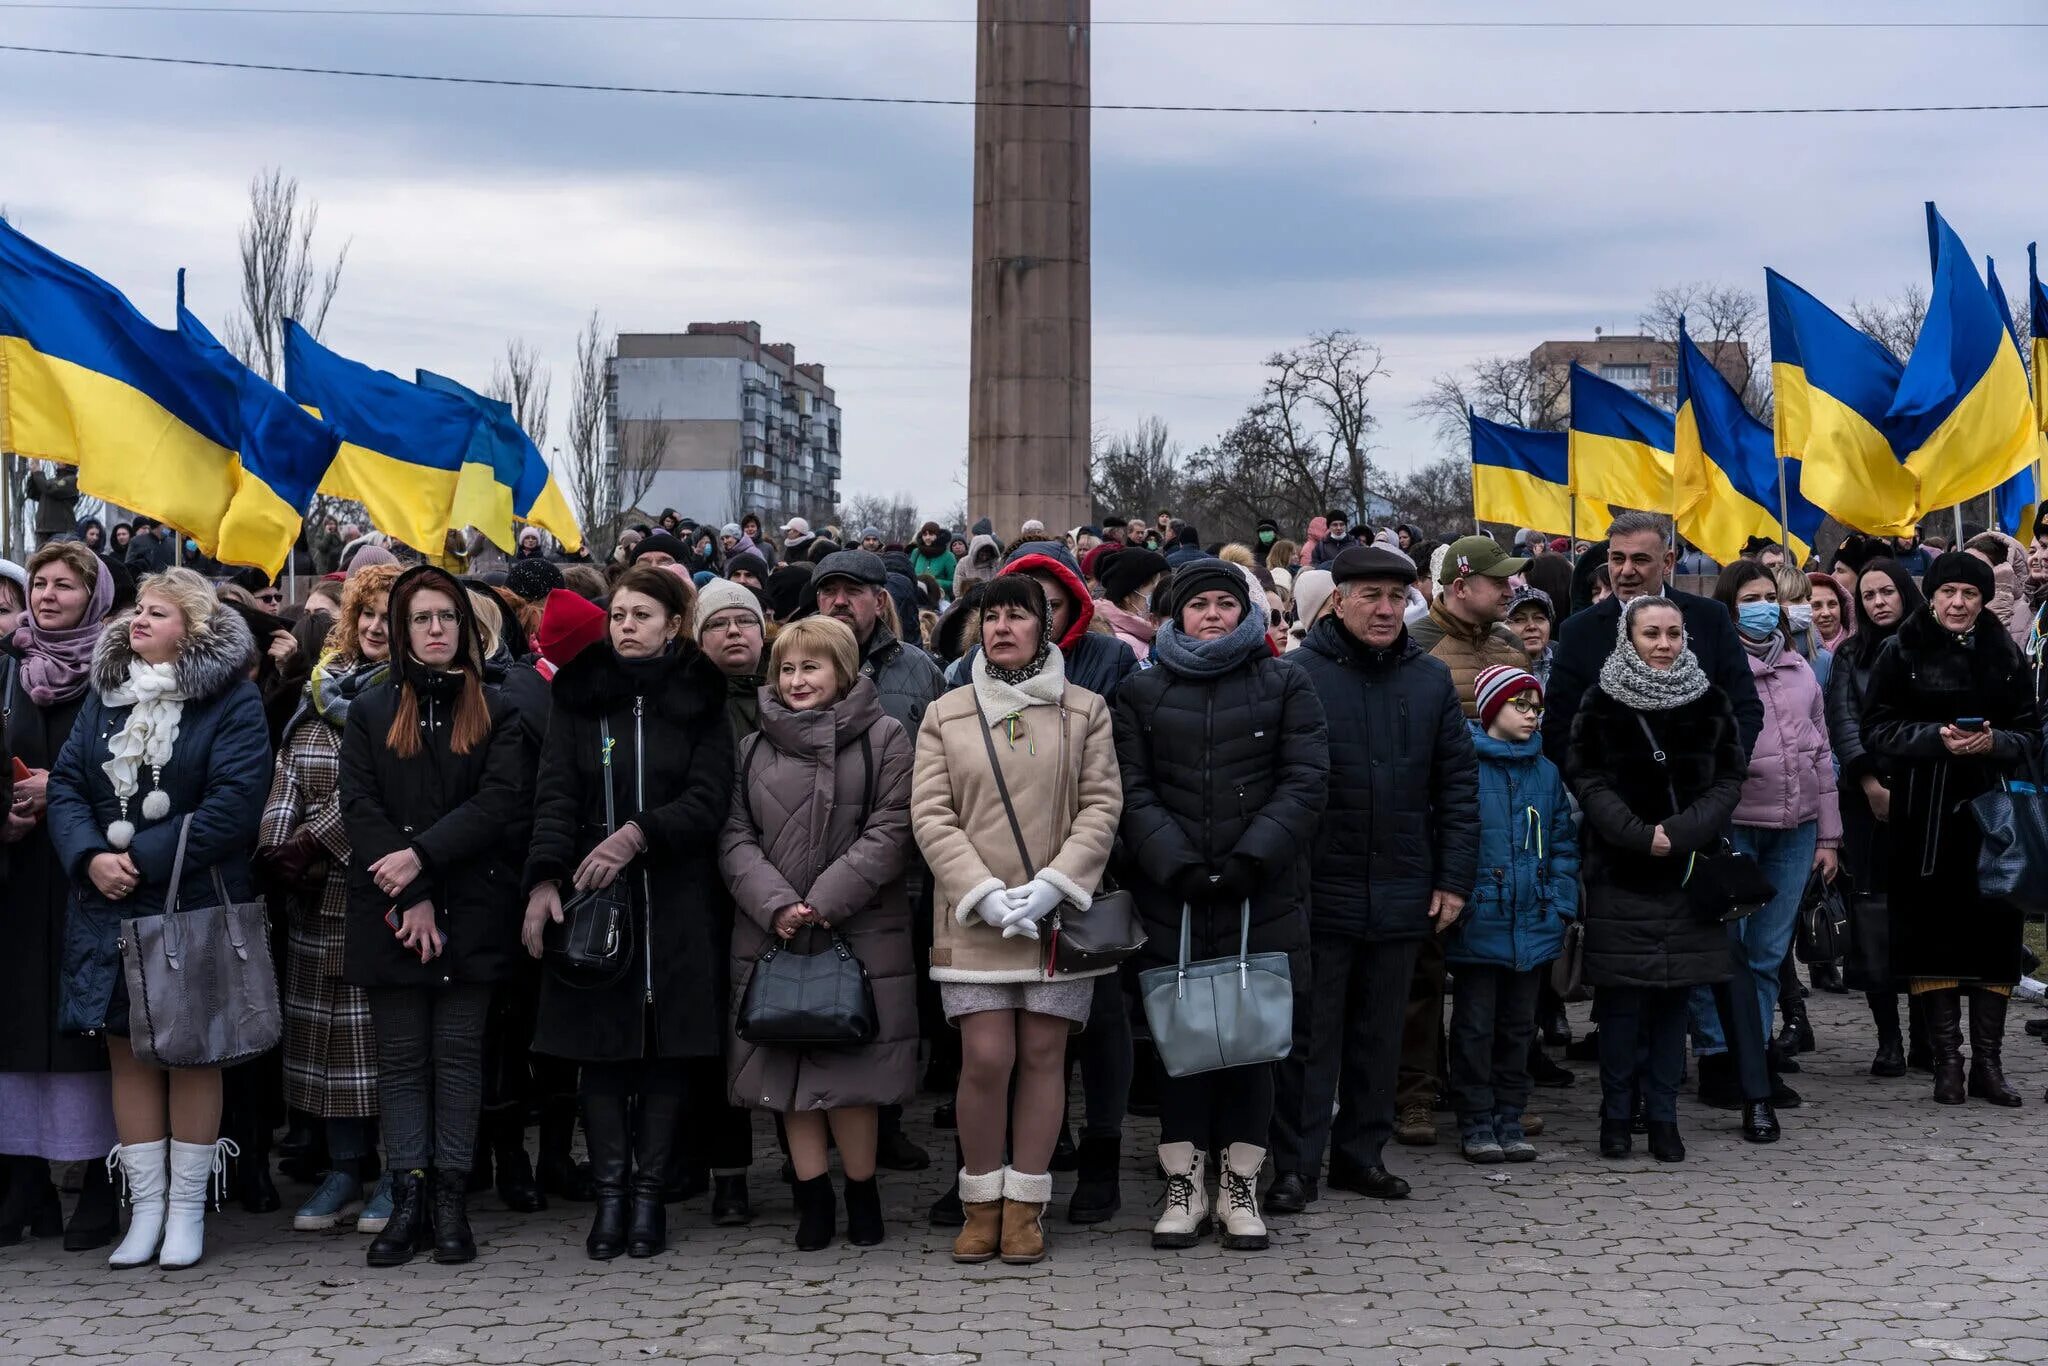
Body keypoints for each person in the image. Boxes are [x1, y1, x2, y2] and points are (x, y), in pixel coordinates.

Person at [47, 567, 270, 1268]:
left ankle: (186, 1214)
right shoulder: (104, 695)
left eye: (158, 613)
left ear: (195, 630)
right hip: (106, 904)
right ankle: (142, 1213)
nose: (138, 621)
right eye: (138, 609)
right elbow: (65, 787)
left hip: (189, 902)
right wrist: (89, 857)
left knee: (191, 1050)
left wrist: (136, 857)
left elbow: (234, 804)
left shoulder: (231, 701)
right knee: (127, 1052)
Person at [521, 565, 737, 1260]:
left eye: (641, 615)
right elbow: (553, 793)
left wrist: (640, 831)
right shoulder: (581, 694)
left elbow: (710, 797)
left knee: (669, 1053)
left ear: (674, 624)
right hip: (593, 899)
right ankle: (609, 1198)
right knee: (601, 1056)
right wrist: (545, 879)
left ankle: (650, 1198)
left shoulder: (702, 692)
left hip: (676, 896)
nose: (626, 627)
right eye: (618, 615)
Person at [1113, 560, 1328, 1252]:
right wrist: (1171, 860)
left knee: (1250, 1046)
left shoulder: (1285, 681)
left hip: (1258, 894)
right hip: (1171, 895)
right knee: (1182, 1046)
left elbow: (1305, 779)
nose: (1212, 615)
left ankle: (1240, 1184)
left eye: (1224, 604)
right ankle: (1184, 1184)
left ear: (1247, 612)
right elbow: (1129, 786)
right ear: (1176, 616)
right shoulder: (1142, 691)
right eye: (1198, 605)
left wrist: (1249, 859)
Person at [910, 572, 1123, 1266]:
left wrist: (1056, 885)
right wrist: (981, 889)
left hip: (1055, 919)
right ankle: (980, 1200)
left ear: (1046, 627)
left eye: (1018, 616)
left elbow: (1101, 806)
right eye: (990, 616)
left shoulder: (1085, 710)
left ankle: (1025, 1208)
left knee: (1042, 1057)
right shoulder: (946, 712)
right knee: (986, 1057)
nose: (1002, 628)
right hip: (974, 917)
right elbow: (931, 814)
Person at [1267, 545, 1477, 1214]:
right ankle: (1296, 1165)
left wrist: (1452, 878)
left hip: (1402, 886)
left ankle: (1362, 1154)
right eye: (1371, 597)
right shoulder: (1295, 676)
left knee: (1381, 1034)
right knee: (1310, 1038)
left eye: (1397, 597)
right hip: (1316, 889)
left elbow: (1457, 789)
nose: (1386, 610)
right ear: (1338, 600)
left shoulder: (1428, 680)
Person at [339, 565, 532, 1268]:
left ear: (467, 627)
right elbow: (360, 806)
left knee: (456, 1058)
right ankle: (408, 1194)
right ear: (400, 629)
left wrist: (422, 860)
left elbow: (498, 803)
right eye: (421, 618)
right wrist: (408, 892)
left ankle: (451, 1198)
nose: (435, 629)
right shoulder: (369, 707)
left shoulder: (500, 706)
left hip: (471, 909)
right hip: (393, 910)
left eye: (447, 617)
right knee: (400, 1061)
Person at [719, 616, 916, 1251]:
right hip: (771, 931)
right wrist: (777, 903)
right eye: (787, 669)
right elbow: (733, 835)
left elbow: (892, 830)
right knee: (789, 1076)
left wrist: (824, 901)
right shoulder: (752, 748)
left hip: (859, 930)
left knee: (851, 1077)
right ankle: (813, 1201)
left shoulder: (886, 739)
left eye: (812, 667)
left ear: (843, 670)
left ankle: (862, 1192)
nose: (797, 681)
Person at [1566, 596, 1749, 1162]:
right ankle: (1617, 1117)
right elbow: (1585, 776)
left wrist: (1680, 832)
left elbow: (1728, 777)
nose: (1664, 644)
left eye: (1673, 633)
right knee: (1622, 1010)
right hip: (1622, 875)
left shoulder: (1710, 698)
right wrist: (1639, 834)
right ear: (1630, 638)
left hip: (1688, 877)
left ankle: (1665, 1117)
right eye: (1651, 633)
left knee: (1673, 1009)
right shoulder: (1599, 700)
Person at [255, 563, 400, 1237]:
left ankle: (400, 1171)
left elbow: (384, 790)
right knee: (326, 1046)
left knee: (386, 1045)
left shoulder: (411, 697)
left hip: (385, 891)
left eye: (386, 615)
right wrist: (278, 847)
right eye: (365, 613)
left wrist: (316, 842)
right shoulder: (320, 691)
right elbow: (288, 773)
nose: (374, 626)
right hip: (314, 903)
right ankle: (345, 1166)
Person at [1863, 551, 2036, 1108]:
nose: (1958, 603)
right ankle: (1948, 1062)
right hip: (1926, 818)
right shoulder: (1901, 651)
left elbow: (2031, 734)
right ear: (1932, 596)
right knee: (1932, 937)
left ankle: (1989, 1062)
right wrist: (1933, 738)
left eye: (1970, 593)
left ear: (1985, 600)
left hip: (1995, 821)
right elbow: (1878, 729)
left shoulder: (2007, 654)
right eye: (1948, 593)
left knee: (1994, 940)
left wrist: (1995, 742)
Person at [0, 542, 122, 1251]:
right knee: (19, 1031)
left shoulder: (117, 672)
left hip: (91, 874)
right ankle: (27, 1183)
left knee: (90, 1033)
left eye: (64, 586)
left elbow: (139, 766)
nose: (47, 596)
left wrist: (64, 792)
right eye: (40, 584)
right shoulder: (10, 668)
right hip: (19, 881)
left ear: (94, 594)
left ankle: (103, 1183)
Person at [1394, 534, 1530, 1147]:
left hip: (1503, 830)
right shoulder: (1413, 647)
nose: (1510, 590)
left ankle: (1497, 1092)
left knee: (1494, 966)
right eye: (1498, 581)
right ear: (1459, 587)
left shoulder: (1510, 648)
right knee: (1424, 971)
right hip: (1428, 826)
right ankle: (1415, 1095)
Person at [1692, 561, 1839, 1107]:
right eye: (1751, 596)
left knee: (1767, 952)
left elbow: (1822, 754)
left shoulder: (1801, 666)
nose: (1764, 604)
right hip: (1735, 826)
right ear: (1730, 607)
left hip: (1795, 829)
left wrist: (1829, 836)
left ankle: (1752, 1061)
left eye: (1769, 595)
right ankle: (1716, 1057)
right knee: (1723, 950)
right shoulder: (1713, 667)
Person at [1446, 665, 1577, 1164]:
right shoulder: (1465, 766)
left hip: (1535, 920)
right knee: (1476, 1025)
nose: (1530, 715)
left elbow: (1563, 843)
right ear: (1490, 707)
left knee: (1520, 1027)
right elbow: (1453, 837)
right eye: (1519, 705)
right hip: (1482, 919)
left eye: (1536, 706)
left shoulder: (1545, 771)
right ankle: (1475, 1118)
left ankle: (1510, 1113)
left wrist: (1561, 903)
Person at [1824, 559, 1926, 1077]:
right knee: (1874, 916)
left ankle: (1930, 1035)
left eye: (1888, 591)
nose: (1879, 602)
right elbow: (1842, 721)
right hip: (1868, 802)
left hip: (1929, 796)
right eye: (1868, 596)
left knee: (1925, 915)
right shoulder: (1850, 653)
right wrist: (1869, 782)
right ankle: (1889, 1038)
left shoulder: (1933, 645)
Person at [1094, 547, 1167, 662]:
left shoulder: (1141, 632)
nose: (1157, 598)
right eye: (1153, 591)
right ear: (1127, 596)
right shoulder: (1125, 645)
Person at [1505, 586, 1557, 688]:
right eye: (1519, 619)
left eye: (1539, 618)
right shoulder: (1494, 670)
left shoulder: (1567, 664)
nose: (1532, 626)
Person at [23, 464, 80, 547]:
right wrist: (33, 475)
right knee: (42, 559)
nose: (58, 460)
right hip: (43, 531)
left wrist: (38, 472)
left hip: (61, 531)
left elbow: (51, 489)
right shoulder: (50, 482)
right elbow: (33, 493)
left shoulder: (72, 480)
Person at [1809, 571, 1852, 654]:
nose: (1826, 613)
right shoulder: (1795, 651)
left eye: (1832, 604)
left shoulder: (1861, 647)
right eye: (1816, 606)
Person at [910, 522, 958, 586]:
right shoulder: (916, 552)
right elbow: (909, 575)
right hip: (917, 594)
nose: (927, 537)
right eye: (925, 534)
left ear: (938, 535)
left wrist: (933, 582)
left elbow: (955, 582)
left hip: (939, 594)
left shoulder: (948, 556)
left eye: (931, 534)